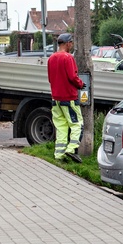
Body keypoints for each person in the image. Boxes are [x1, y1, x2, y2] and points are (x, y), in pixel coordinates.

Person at [47, 33, 85, 163]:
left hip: (55, 98)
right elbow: (72, 77)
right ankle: (71, 148)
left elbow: (50, 79)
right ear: (67, 43)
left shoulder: (51, 58)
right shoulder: (68, 58)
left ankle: (59, 155)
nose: (72, 45)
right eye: (71, 43)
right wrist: (80, 84)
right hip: (68, 97)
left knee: (61, 126)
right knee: (77, 124)